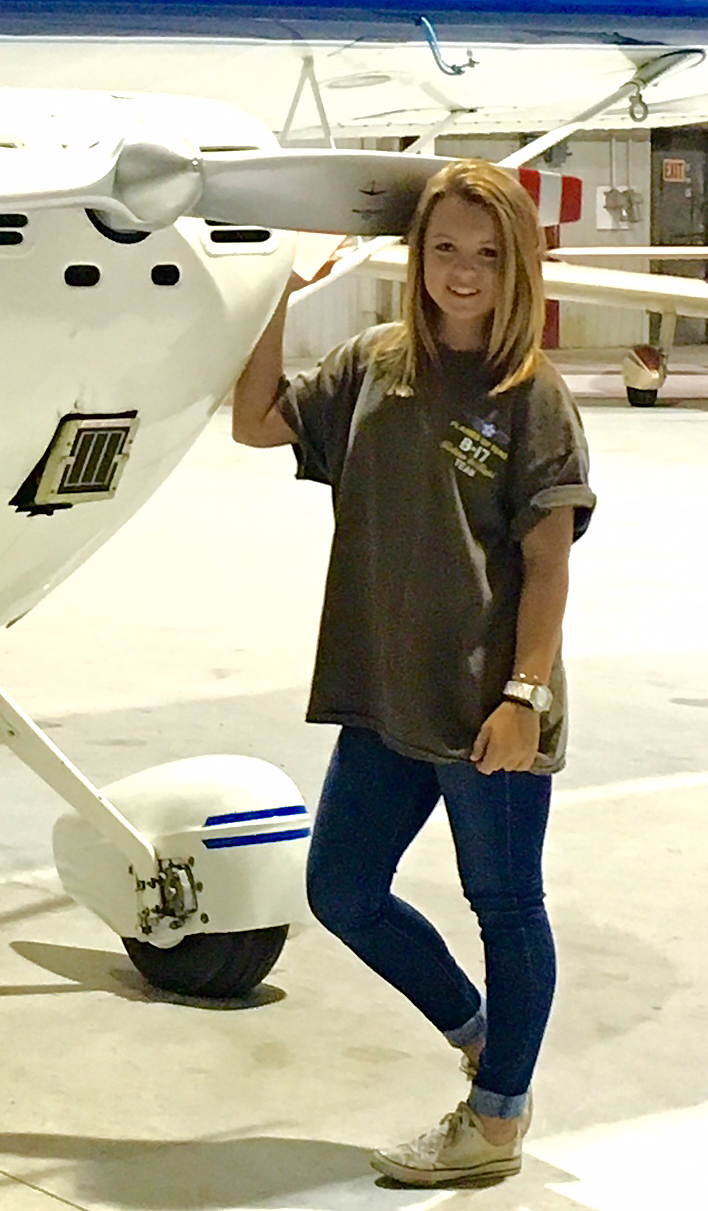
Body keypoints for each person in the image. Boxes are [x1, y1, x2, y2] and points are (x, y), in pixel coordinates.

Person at [231, 157, 594, 1190]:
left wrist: (526, 697)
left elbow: (548, 561)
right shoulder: (373, 367)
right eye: (445, 250)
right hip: (385, 698)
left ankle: (497, 1118)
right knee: (341, 890)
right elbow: (256, 418)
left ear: (518, 262)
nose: (464, 273)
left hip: (487, 706)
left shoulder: (533, 396)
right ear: (417, 257)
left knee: (507, 906)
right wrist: (277, 294)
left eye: (487, 254)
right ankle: (485, 1035)